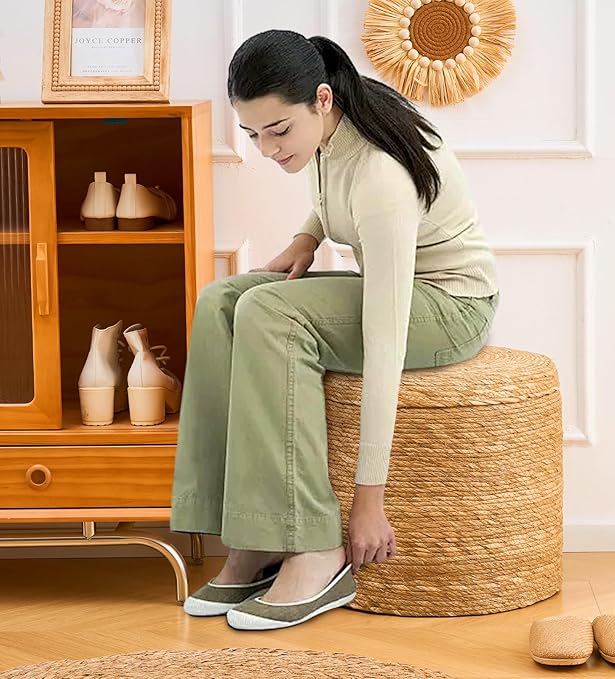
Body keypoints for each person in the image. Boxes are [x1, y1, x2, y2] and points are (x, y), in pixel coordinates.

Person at [170, 29, 499, 630]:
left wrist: (368, 500)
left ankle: (316, 548)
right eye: (252, 134)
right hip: (399, 289)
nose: (267, 149)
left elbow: (385, 340)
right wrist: (307, 235)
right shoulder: (335, 125)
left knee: (269, 312)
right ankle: (255, 537)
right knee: (221, 301)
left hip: (450, 306)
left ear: (321, 99)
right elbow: (332, 192)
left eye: (278, 131)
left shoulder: (381, 174)